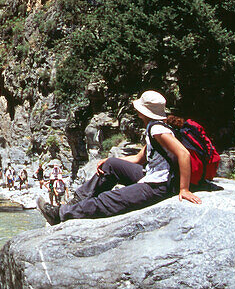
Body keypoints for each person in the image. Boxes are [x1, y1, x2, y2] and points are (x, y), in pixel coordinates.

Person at [38, 90, 201, 225]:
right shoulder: (156, 127)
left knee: (109, 199)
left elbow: (183, 154)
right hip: (152, 177)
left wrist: (183, 189)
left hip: (159, 186)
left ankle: (60, 215)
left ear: (143, 112)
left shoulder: (158, 130)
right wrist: (108, 162)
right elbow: (139, 158)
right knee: (111, 165)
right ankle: (74, 203)